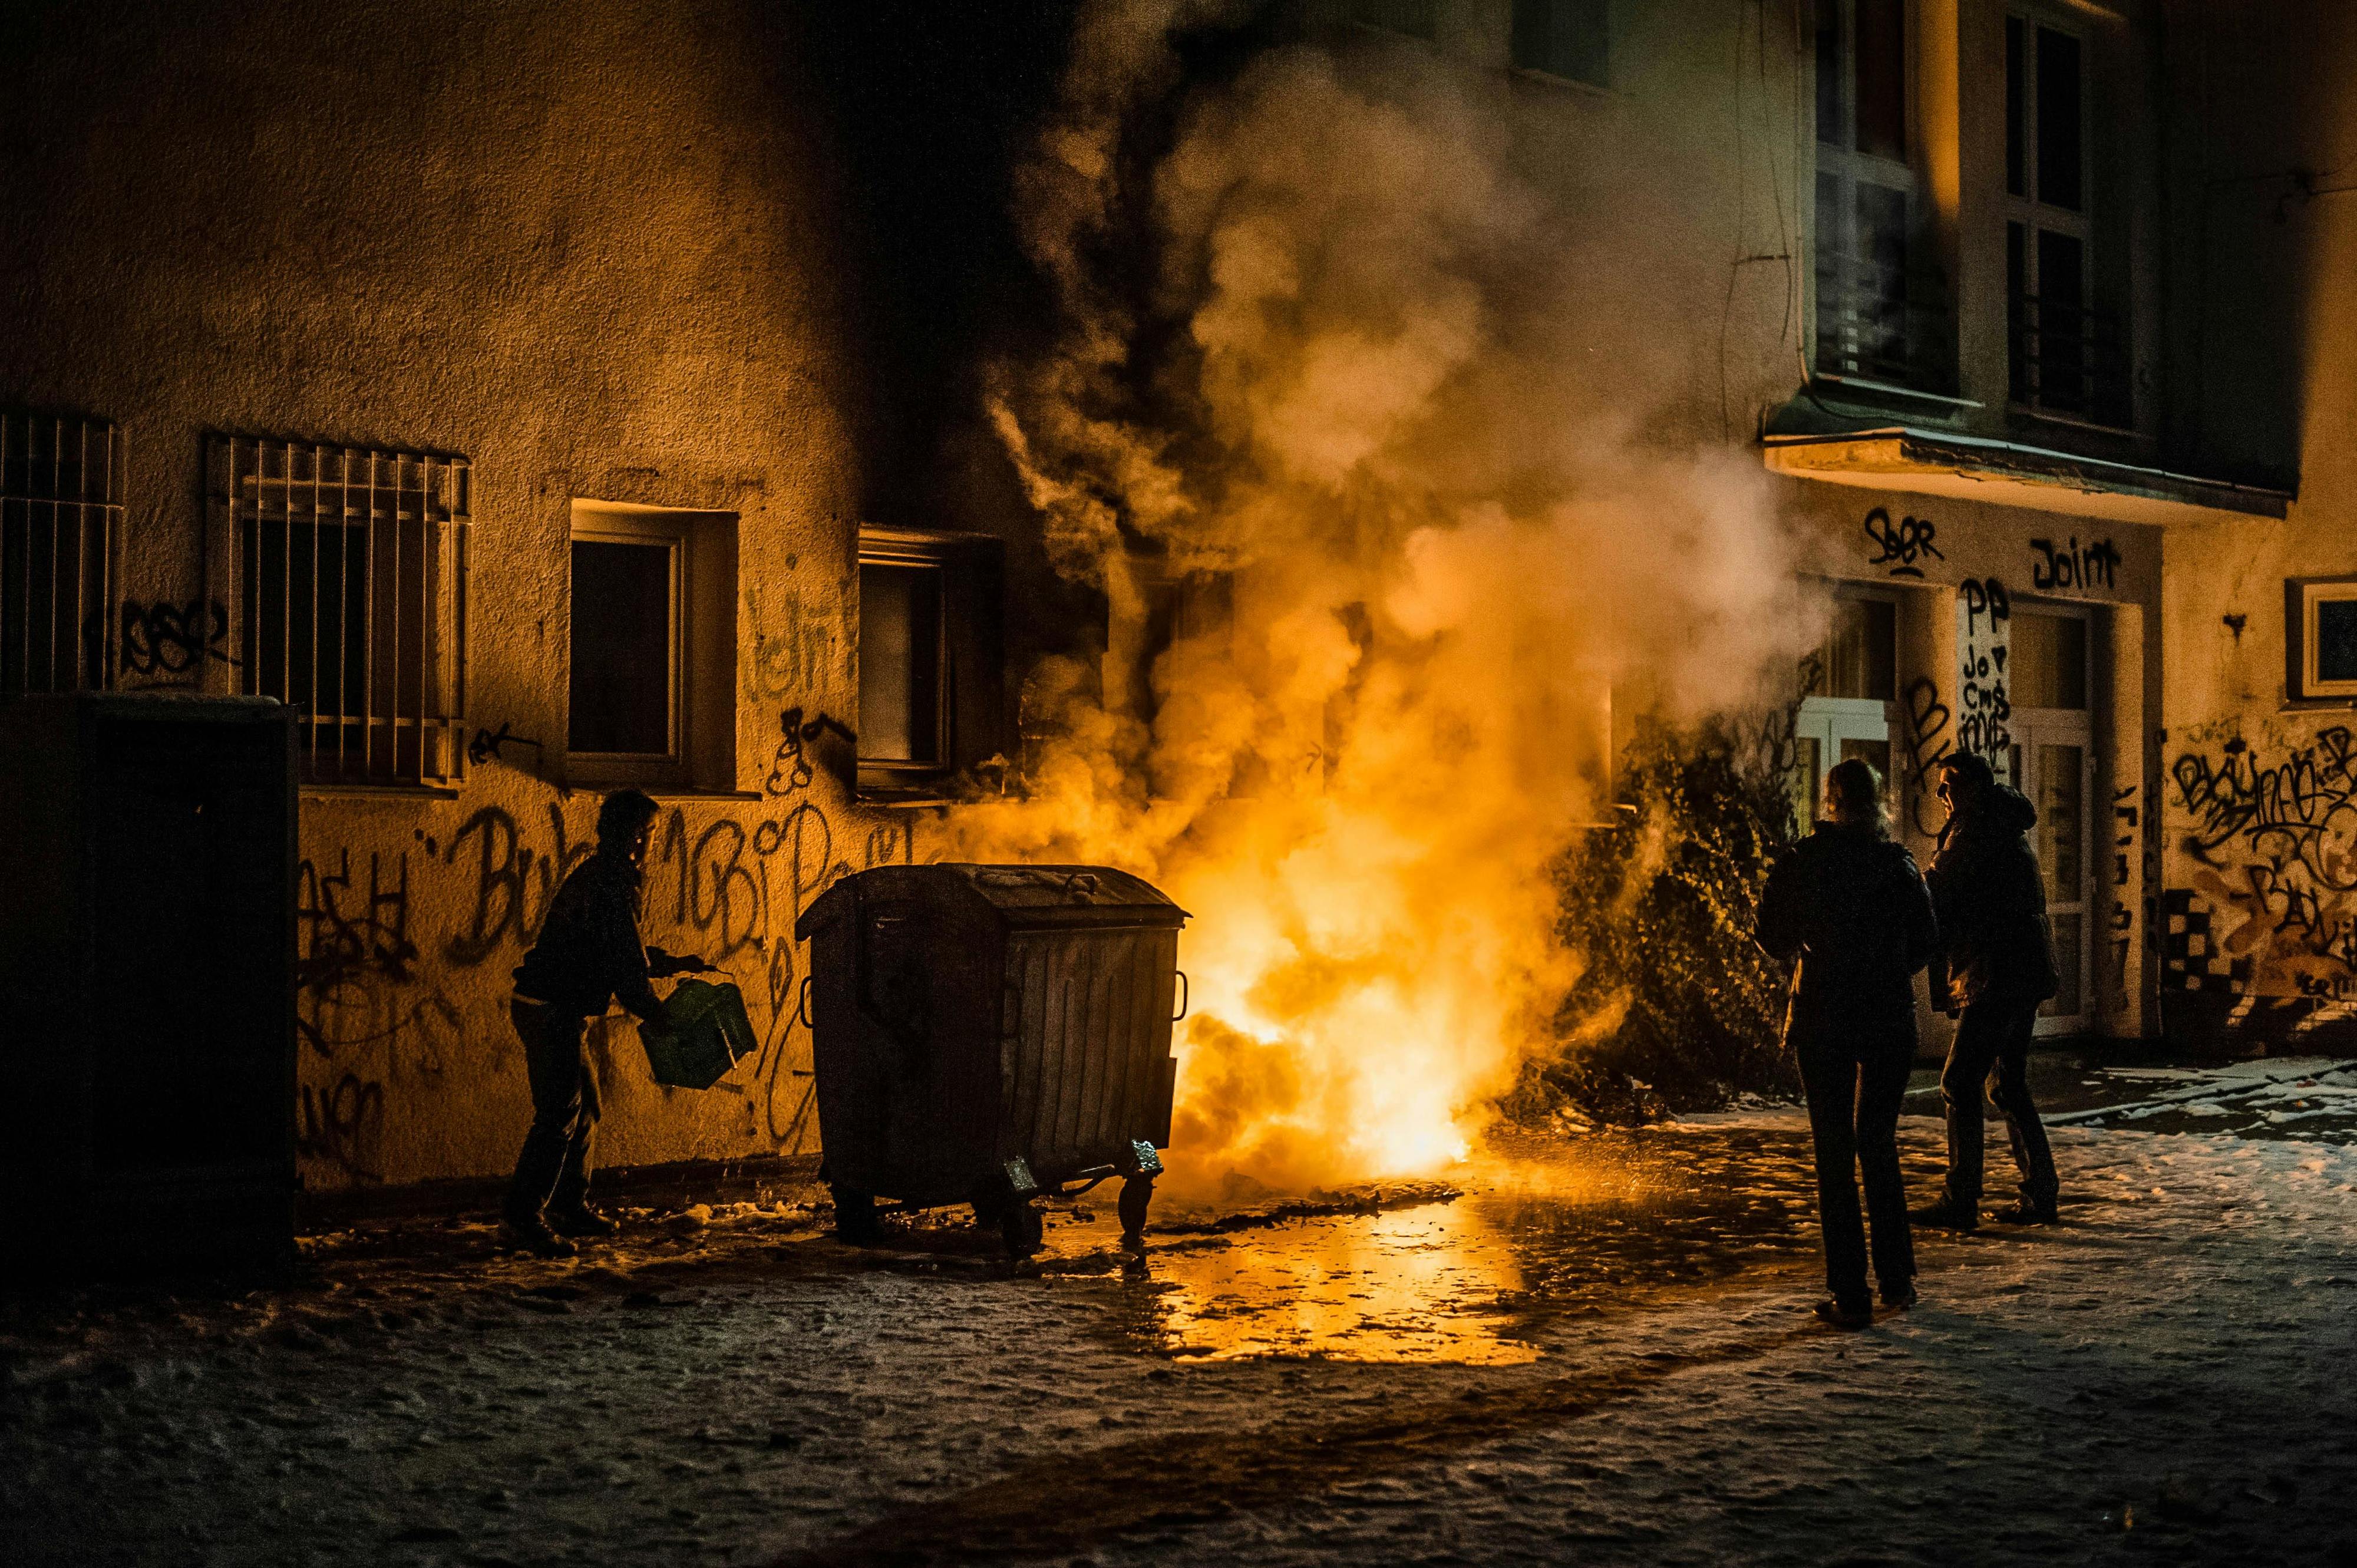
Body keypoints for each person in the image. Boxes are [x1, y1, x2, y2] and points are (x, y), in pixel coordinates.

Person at [1757, 758, 1939, 1329]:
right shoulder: (1897, 865)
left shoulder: (1804, 863)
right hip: (1887, 1018)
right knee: (1877, 1145)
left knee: (1834, 1153)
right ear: (1880, 803)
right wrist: (1883, 971)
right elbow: (1925, 943)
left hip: (1824, 1018)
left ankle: (1850, 1292)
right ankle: (1897, 1279)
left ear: (1828, 801)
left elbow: (1772, 939)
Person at [503, 788, 709, 1257]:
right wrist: (657, 1014)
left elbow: (619, 951)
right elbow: (623, 963)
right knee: (559, 1113)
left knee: (584, 1108)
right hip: (550, 1006)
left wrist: (668, 963)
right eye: (651, 834)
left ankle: (566, 1206)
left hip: (549, 1002)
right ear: (636, 835)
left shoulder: (603, 875)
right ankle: (523, 1218)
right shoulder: (614, 882)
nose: (653, 843)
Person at [1912, 750, 2062, 1232]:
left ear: (1974, 788)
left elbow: (1935, 890)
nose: (1940, 793)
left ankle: (1962, 1199)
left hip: (1995, 975)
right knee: (2007, 1083)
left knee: (1959, 1081)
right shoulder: (2002, 826)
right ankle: (2040, 1191)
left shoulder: (1975, 833)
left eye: (1948, 784)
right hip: (2020, 972)